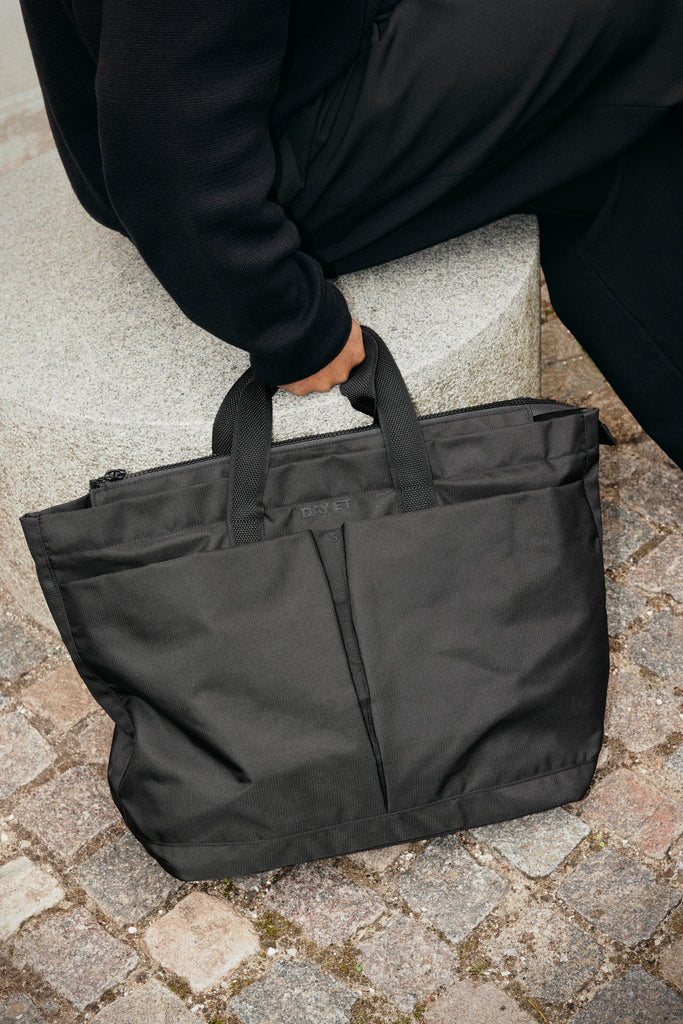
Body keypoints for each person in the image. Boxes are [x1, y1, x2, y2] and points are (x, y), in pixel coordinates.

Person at [18, 0, 683, 466]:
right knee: (649, 28)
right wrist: (288, 322)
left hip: (294, 61)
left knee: (612, 125)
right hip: (256, 159)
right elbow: (161, 138)